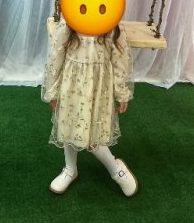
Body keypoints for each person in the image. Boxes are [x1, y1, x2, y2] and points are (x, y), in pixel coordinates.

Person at [42, 17, 138, 196]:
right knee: (68, 126)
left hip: (98, 88)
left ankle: (116, 169)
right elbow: (56, 56)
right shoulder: (69, 21)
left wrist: (121, 92)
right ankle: (70, 169)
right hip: (72, 85)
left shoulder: (111, 22)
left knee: (94, 134)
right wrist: (52, 90)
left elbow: (120, 60)